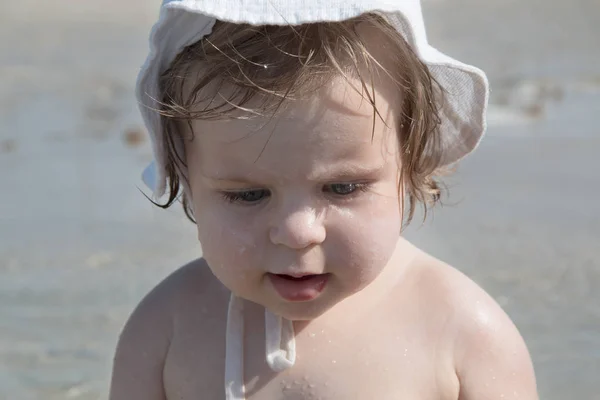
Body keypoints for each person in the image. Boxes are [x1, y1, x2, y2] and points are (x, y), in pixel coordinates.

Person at [109, 1, 538, 399]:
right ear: (186, 177)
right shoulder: (166, 331)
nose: (298, 232)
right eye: (249, 194)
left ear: (409, 166)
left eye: (343, 188)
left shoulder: (462, 332)